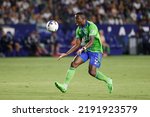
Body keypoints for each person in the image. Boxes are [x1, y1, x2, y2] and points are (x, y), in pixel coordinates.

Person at [55, 12, 113, 93]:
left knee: (92, 72)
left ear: (83, 19)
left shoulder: (91, 26)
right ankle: (64, 86)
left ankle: (108, 80)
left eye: (77, 19)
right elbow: (77, 44)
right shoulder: (78, 29)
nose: (76, 20)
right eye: (75, 19)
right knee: (74, 64)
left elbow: (92, 41)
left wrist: (83, 48)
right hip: (86, 50)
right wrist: (66, 53)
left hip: (96, 51)